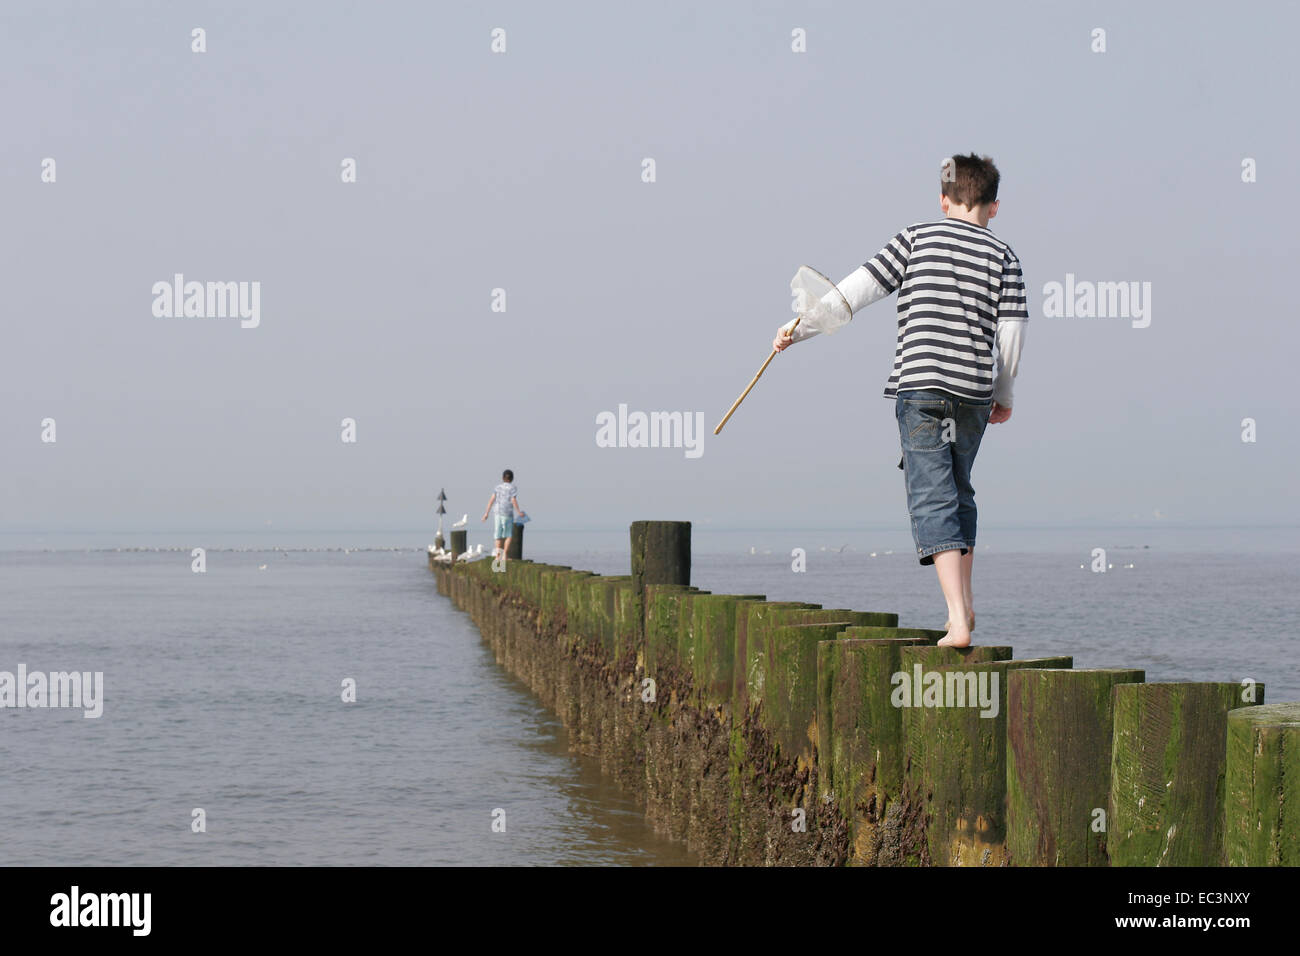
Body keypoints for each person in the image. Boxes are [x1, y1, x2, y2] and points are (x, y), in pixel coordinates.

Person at [773, 154, 1027, 648]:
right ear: (995, 206)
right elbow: (1013, 335)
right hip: (973, 396)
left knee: (932, 494)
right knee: (958, 490)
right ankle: (966, 605)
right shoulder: (1006, 258)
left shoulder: (917, 237)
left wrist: (797, 330)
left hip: (923, 387)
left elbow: (853, 294)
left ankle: (957, 620)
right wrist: (1004, 394)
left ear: (943, 200)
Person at [481, 469, 526, 563]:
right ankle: (505, 555)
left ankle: (498, 556)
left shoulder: (497, 487)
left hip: (497, 512)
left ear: (502, 478)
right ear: (512, 478)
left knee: (498, 535)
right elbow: (513, 500)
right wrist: (519, 511)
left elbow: (491, 500)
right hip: (507, 513)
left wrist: (486, 513)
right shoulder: (513, 487)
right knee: (508, 535)